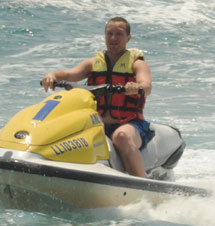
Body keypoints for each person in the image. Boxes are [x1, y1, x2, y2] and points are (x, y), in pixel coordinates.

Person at [41, 17, 153, 178]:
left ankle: (143, 184)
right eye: (109, 34)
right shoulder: (93, 63)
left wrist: (136, 87)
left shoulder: (137, 64)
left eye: (119, 34)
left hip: (130, 123)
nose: (113, 38)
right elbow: (69, 75)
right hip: (96, 123)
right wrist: (52, 76)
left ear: (128, 38)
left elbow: (146, 85)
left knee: (121, 137)